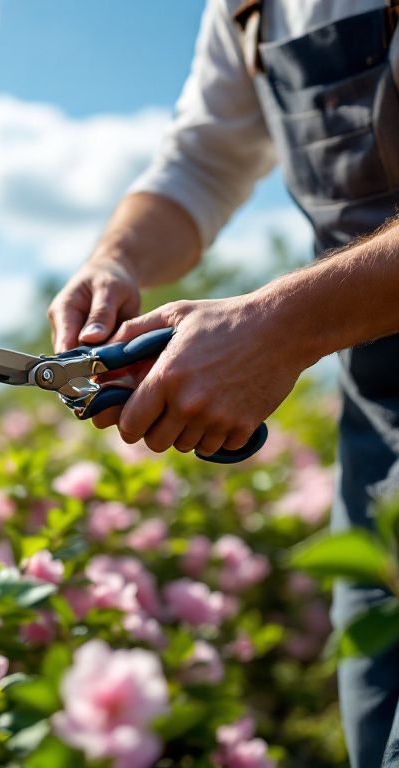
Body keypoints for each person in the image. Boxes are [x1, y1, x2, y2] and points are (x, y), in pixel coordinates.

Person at [47, 1, 399, 766]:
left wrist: (282, 323)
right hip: (379, 427)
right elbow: (201, 160)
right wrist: (117, 260)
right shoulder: (246, 9)